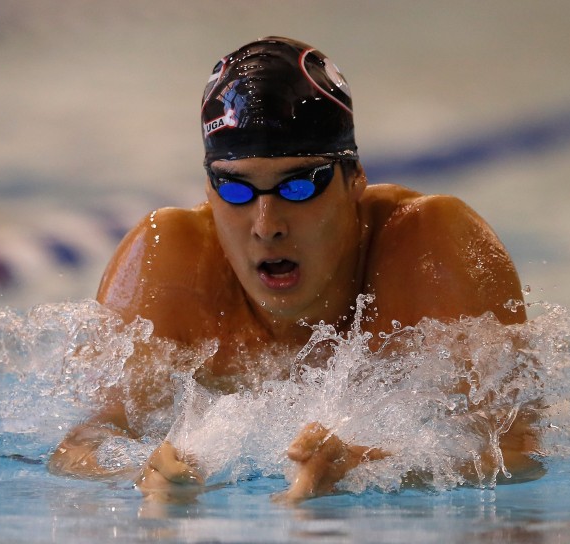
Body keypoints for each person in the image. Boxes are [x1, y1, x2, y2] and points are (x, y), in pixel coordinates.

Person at [48, 36, 540, 502]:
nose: (266, 225)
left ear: (355, 179)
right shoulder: (169, 261)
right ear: (207, 191)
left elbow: (523, 452)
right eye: (236, 190)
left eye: (299, 187)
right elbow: (81, 444)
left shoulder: (431, 248)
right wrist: (142, 473)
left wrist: (380, 469)